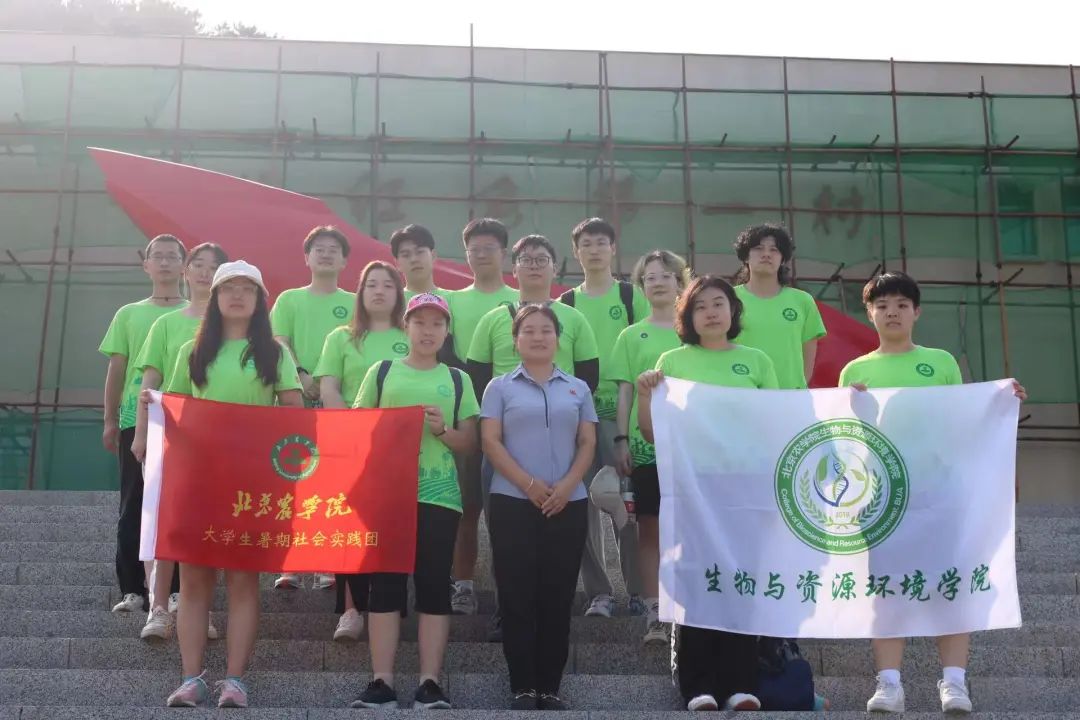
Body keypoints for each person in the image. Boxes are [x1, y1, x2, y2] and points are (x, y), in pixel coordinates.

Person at [839, 271, 1027, 715]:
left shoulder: (940, 362)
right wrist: (848, 403)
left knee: (950, 585)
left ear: (917, 312)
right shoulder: (855, 371)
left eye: (902, 305)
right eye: (883, 305)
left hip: (941, 491)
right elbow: (846, 436)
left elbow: (963, 419)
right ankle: (889, 684)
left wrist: (1001, 401)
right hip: (883, 497)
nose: (892, 312)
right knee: (886, 590)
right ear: (869, 313)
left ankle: (954, 682)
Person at [161, 260, 304, 708]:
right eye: (229, 288)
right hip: (200, 479)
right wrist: (152, 407)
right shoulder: (192, 352)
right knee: (194, 580)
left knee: (243, 581)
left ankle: (235, 680)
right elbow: (174, 409)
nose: (237, 295)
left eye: (247, 288)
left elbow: (294, 411)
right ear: (215, 298)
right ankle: (191, 678)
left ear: (260, 300)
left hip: (252, 483)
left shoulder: (275, 353)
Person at [637, 275, 777, 713]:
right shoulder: (672, 362)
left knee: (739, 580)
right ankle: (697, 685)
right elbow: (651, 432)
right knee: (696, 581)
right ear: (688, 317)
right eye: (700, 306)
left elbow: (775, 423)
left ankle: (740, 683)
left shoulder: (756, 361)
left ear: (733, 311)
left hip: (742, 490)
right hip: (692, 490)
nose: (711, 313)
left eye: (719, 304)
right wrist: (645, 394)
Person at [348, 293, 479, 711]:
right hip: (386, 494)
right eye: (420, 322)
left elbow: (469, 442)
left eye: (437, 323)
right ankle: (381, 681)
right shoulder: (382, 371)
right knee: (385, 584)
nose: (428, 330)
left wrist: (441, 430)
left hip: (439, 496)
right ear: (406, 327)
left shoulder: (458, 379)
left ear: (447, 331)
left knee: (434, 584)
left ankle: (430, 682)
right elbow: (356, 427)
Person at [467, 233, 599, 640]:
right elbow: (476, 375)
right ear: (515, 268)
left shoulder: (574, 318)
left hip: (562, 432)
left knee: (566, 531)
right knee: (504, 533)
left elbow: (588, 374)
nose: (535, 265)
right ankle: (507, 611)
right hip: (503, 439)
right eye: (527, 259)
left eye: (543, 259)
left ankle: (560, 609)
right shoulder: (494, 318)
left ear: (555, 267)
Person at [481, 304, 597, 710]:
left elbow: (587, 442)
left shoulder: (577, 388)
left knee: (557, 596)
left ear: (558, 339)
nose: (537, 337)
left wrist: (567, 486)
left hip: (568, 503)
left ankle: (549, 686)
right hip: (513, 501)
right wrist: (528, 485)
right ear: (515, 340)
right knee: (516, 595)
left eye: (546, 330)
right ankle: (522, 686)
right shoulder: (499, 388)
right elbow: (491, 441)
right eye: (528, 330)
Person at [131, 242, 228, 642]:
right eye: (198, 265)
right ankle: (157, 608)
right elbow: (150, 383)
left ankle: (199, 608)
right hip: (171, 436)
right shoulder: (167, 324)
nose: (205, 273)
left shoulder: (234, 325)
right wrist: (141, 433)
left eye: (213, 267)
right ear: (186, 271)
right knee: (163, 520)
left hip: (219, 445)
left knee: (208, 525)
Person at [314, 260, 409, 642]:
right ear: (360, 292)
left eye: (388, 285)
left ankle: (390, 606)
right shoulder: (341, 337)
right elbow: (329, 387)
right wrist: (350, 430)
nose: (379, 291)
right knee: (347, 527)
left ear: (399, 294)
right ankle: (350, 609)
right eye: (372, 284)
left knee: (390, 527)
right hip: (349, 443)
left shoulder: (410, 335)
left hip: (399, 448)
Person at [560, 217, 649, 619]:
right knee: (577, 505)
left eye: (601, 242)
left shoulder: (631, 296)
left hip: (620, 417)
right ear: (576, 252)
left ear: (613, 249)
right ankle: (598, 592)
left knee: (625, 504)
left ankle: (638, 590)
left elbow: (646, 351)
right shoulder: (566, 304)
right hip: (577, 417)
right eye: (586, 244)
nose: (594, 250)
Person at [99, 233, 189, 615]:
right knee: (134, 503)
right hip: (134, 421)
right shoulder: (129, 314)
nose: (165, 262)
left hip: (183, 422)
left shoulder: (194, 315)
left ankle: (177, 590)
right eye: (159, 257)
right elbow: (117, 368)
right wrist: (109, 419)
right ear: (146, 265)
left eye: (173, 257)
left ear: (184, 266)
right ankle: (133, 589)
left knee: (179, 504)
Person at [609, 249, 690, 645]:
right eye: (649, 278)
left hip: (692, 449)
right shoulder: (630, 335)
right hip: (645, 447)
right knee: (650, 529)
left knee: (691, 530)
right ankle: (655, 611)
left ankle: (690, 609)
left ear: (680, 282)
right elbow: (625, 391)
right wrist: (621, 439)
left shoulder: (695, 333)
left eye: (665, 276)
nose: (657, 283)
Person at [270, 225, 354, 591]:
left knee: (333, 482)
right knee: (293, 478)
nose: (326, 253)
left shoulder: (356, 303)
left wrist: (328, 383)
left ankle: (327, 563)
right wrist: (302, 375)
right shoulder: (289, 299)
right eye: (319, 248)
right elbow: (279, 341)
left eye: (334, 248)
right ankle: (289, 562)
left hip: (339, 401)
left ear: (345, 260)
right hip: (295, 397)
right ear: (306, 257)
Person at [447, 218, 518, 616]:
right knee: (467, 507)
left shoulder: (521, 300)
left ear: (504, 253)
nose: (481, 254)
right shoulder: (451, 301)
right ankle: (463, 585)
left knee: (511, 510)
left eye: (489, 247)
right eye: (474, 249)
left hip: (515, 419)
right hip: (467, 416)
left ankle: (511, 589)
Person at [732, 223, 825, 389]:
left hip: (790, 396)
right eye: (759, 248)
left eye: (774, 250)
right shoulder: (729, 299)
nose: (766, 254)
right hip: (743, 393)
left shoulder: (803, 301)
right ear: (746, 256)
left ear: (783, 259)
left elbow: (808, 360)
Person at [390, 223, 450, 300]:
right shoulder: (392, 302)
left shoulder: (455, 299)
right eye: (406, 255)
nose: (414, 259)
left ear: (433, 256)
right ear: (397, 264)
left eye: (419, 252)